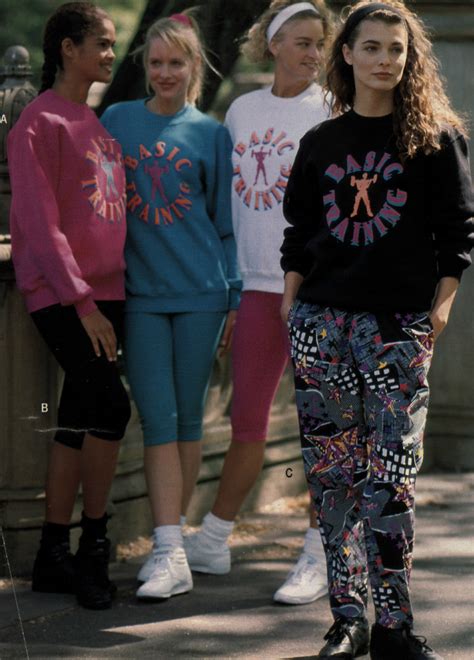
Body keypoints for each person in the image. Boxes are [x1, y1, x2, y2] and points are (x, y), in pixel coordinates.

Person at [280, 1, 474, 657]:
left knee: (390, 480)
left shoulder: (436, 137)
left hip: (396, 330)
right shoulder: (320, 144)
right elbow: (300, 236)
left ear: (409, 58)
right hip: (321, 326)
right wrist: (290, 302)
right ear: (348, 56)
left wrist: (440, 305)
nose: (386, 60)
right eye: (372, 47)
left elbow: (459, 235)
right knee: (333, 480)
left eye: (397, 49)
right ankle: (348, 619)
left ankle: (394, 625)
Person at [185, 0, 332, 606]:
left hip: (316, 290)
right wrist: (226, 285)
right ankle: (215, 536)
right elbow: (223, 202)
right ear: (272, 45)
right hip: (252, 286)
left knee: (324, 430)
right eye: (300, 41)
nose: (312, 52)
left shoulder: (331, 111)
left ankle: (320, 550)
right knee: (245, 421)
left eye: (319, 43)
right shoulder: (242, 110)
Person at [100, 12, 241, 601]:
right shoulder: (115, 121)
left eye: (175, 63)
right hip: (140, 297)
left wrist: (232, 298)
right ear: (145, 65)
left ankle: (173, 547)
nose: (164, 72)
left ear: (193, 69)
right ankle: (167, 546)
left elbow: (226, 226)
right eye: (155, 62)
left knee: (187, 418)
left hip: (203, 293)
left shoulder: (210, 133)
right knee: (156, 419)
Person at [7, 2, 131, 610]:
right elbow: (39, 222)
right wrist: (82, 304)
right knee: (111, 407)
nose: (110, 53)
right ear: (67, 49)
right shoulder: (37, 121)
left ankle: (53, 553)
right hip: (65, 295)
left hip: (110, 294)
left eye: (111, 44)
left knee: (80, 419)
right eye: (101, 44)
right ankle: (93, 546)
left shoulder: (96, 124)